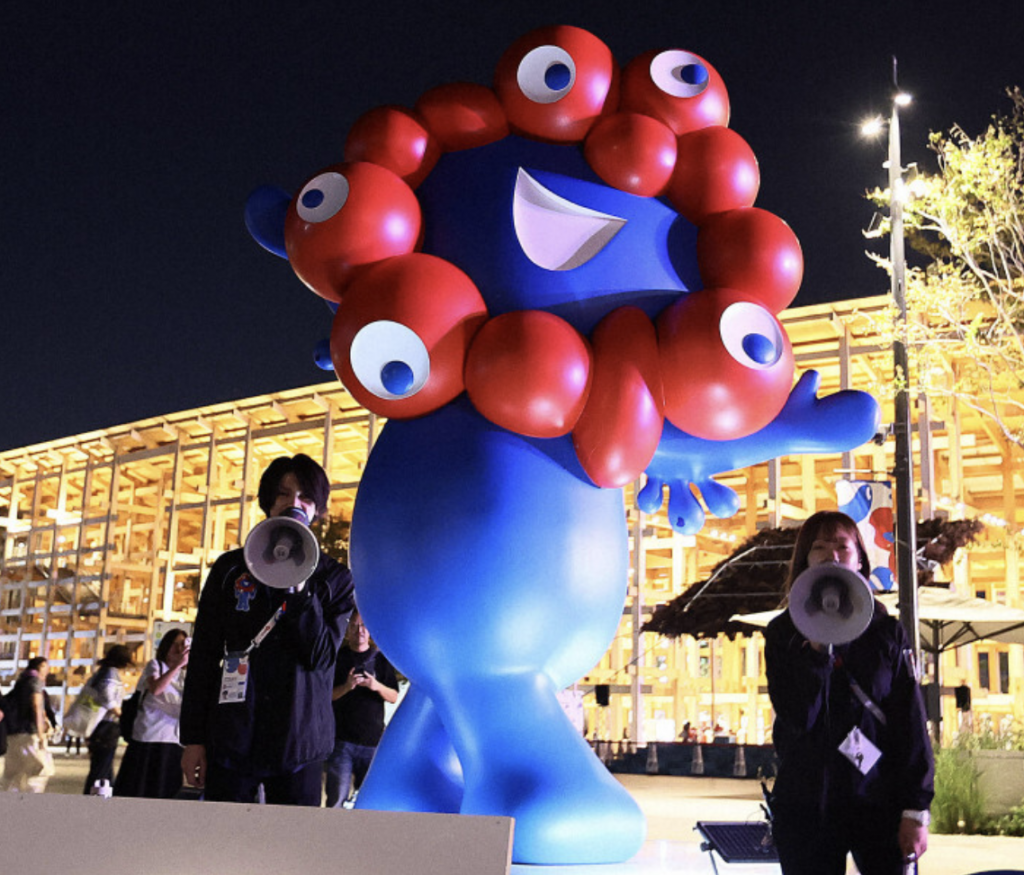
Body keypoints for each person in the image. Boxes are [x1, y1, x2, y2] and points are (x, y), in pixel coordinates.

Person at [764, 510, 934, 875]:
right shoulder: (783, 634)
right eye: (819, 547)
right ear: (805, 560)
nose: (832, 555)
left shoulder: (885, 632)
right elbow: (798, 717)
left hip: (878, 800)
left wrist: (916, 808)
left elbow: (909, 721)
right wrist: (816, 649)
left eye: (842, 546)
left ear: (859, 559)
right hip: (806, 804)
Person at [179, 454, 354, 806]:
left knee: (293, 838)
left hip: (300, 740)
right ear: (267, 501)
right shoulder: (231, 569)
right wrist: (194, 738)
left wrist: (299, 586)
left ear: (318, 508)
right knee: (223, 834)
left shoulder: (334, 579)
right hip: (234, 734)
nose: (294, 504)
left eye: (305, 497)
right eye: (283, 494)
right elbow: (204, 655)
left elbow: (320, 658)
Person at [324, 610, 399, 807]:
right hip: (341, 743)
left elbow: (393, 697)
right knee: (336, 800)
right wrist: (347, 687)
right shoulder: (337, 658)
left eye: (364, 626)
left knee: (372, 802)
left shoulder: (381, 660)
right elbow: (326, 697)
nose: (360, 631)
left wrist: (376, 686)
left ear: (370, 630)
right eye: (355, 626)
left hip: (372, 743)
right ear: (348, 629)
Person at [113, 628, 190, 798]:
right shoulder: (155, 665)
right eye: (174, 644)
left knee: (165, 791)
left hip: (173, 739)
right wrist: (177, 666)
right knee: (139, 788)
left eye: (182, 645)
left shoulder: (186, 675)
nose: (178, 649)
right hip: (148, 736)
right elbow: (156, 688)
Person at [78, 644, 135, 794]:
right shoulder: (110, 673)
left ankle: (107, 793)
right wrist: (121, 713)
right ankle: (94, 796)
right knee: (101, 768)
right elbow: (107, 698)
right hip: (106, 727)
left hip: (98, 726)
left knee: (103, 767)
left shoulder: (101, 672)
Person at [1, 657, 52, 793]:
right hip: (28, 733)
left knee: (13, 773)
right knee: (39, 770)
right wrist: (41, 734)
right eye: (46, 667)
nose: (48, 670)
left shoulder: (21, 682)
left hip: (13, 733)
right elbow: (36, 706)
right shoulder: (35, 682)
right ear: (40, 667)